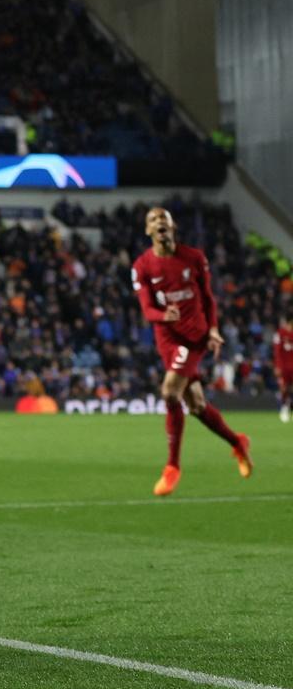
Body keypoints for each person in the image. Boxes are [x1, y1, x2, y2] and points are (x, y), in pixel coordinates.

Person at [130, 208, 251, 496]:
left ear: (173, 227)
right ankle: (237, 442)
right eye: (153, 220)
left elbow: (208, 298)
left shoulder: (194, 258)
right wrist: (163, 316)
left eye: (164, 218)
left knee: (169, 392)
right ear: (148, 231)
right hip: (167, 339)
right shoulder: (142, 266)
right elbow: (147, 309)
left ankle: (172, 467)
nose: (160, 222)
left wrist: (212, 329)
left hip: (194, 336)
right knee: (196, 405)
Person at [274, 311, 293, 422]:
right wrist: (277, 366)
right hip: (284, 367)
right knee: (284, 388)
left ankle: (288, 406)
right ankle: (284, 408)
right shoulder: (280, 333)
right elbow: (276, 351)